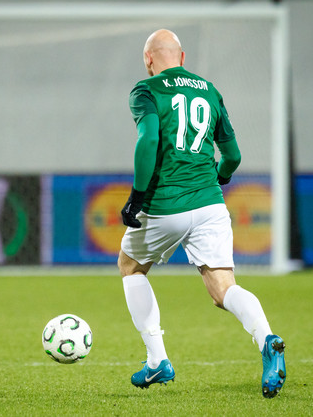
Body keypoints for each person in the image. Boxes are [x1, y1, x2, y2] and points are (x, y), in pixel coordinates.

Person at [118, 29, 286, 398]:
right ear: (182, 57)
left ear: (148, 59)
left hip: (166, 203)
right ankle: (267, 339)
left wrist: (136, 197)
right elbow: (233, 156)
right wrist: (219, 176)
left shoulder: (146, 90)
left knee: (130, 266)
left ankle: (157, 360)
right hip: (211, 204)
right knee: (224, 289)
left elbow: (149, 140)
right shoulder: (209, 90)